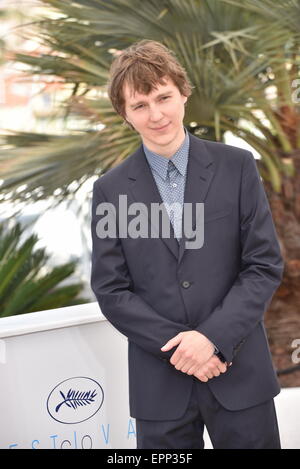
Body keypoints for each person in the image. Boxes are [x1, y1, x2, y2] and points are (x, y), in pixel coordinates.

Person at [90, 40, 283, 449]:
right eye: (140, 105)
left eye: (163, 97)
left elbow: (262, 265)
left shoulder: (237, 167)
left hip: (241, 376)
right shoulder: (109, 191)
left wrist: (210, 338)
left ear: (183, 94)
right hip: (160, 389)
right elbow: (112, 290)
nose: (156, 114)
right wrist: (183, 350)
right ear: (124, 113)